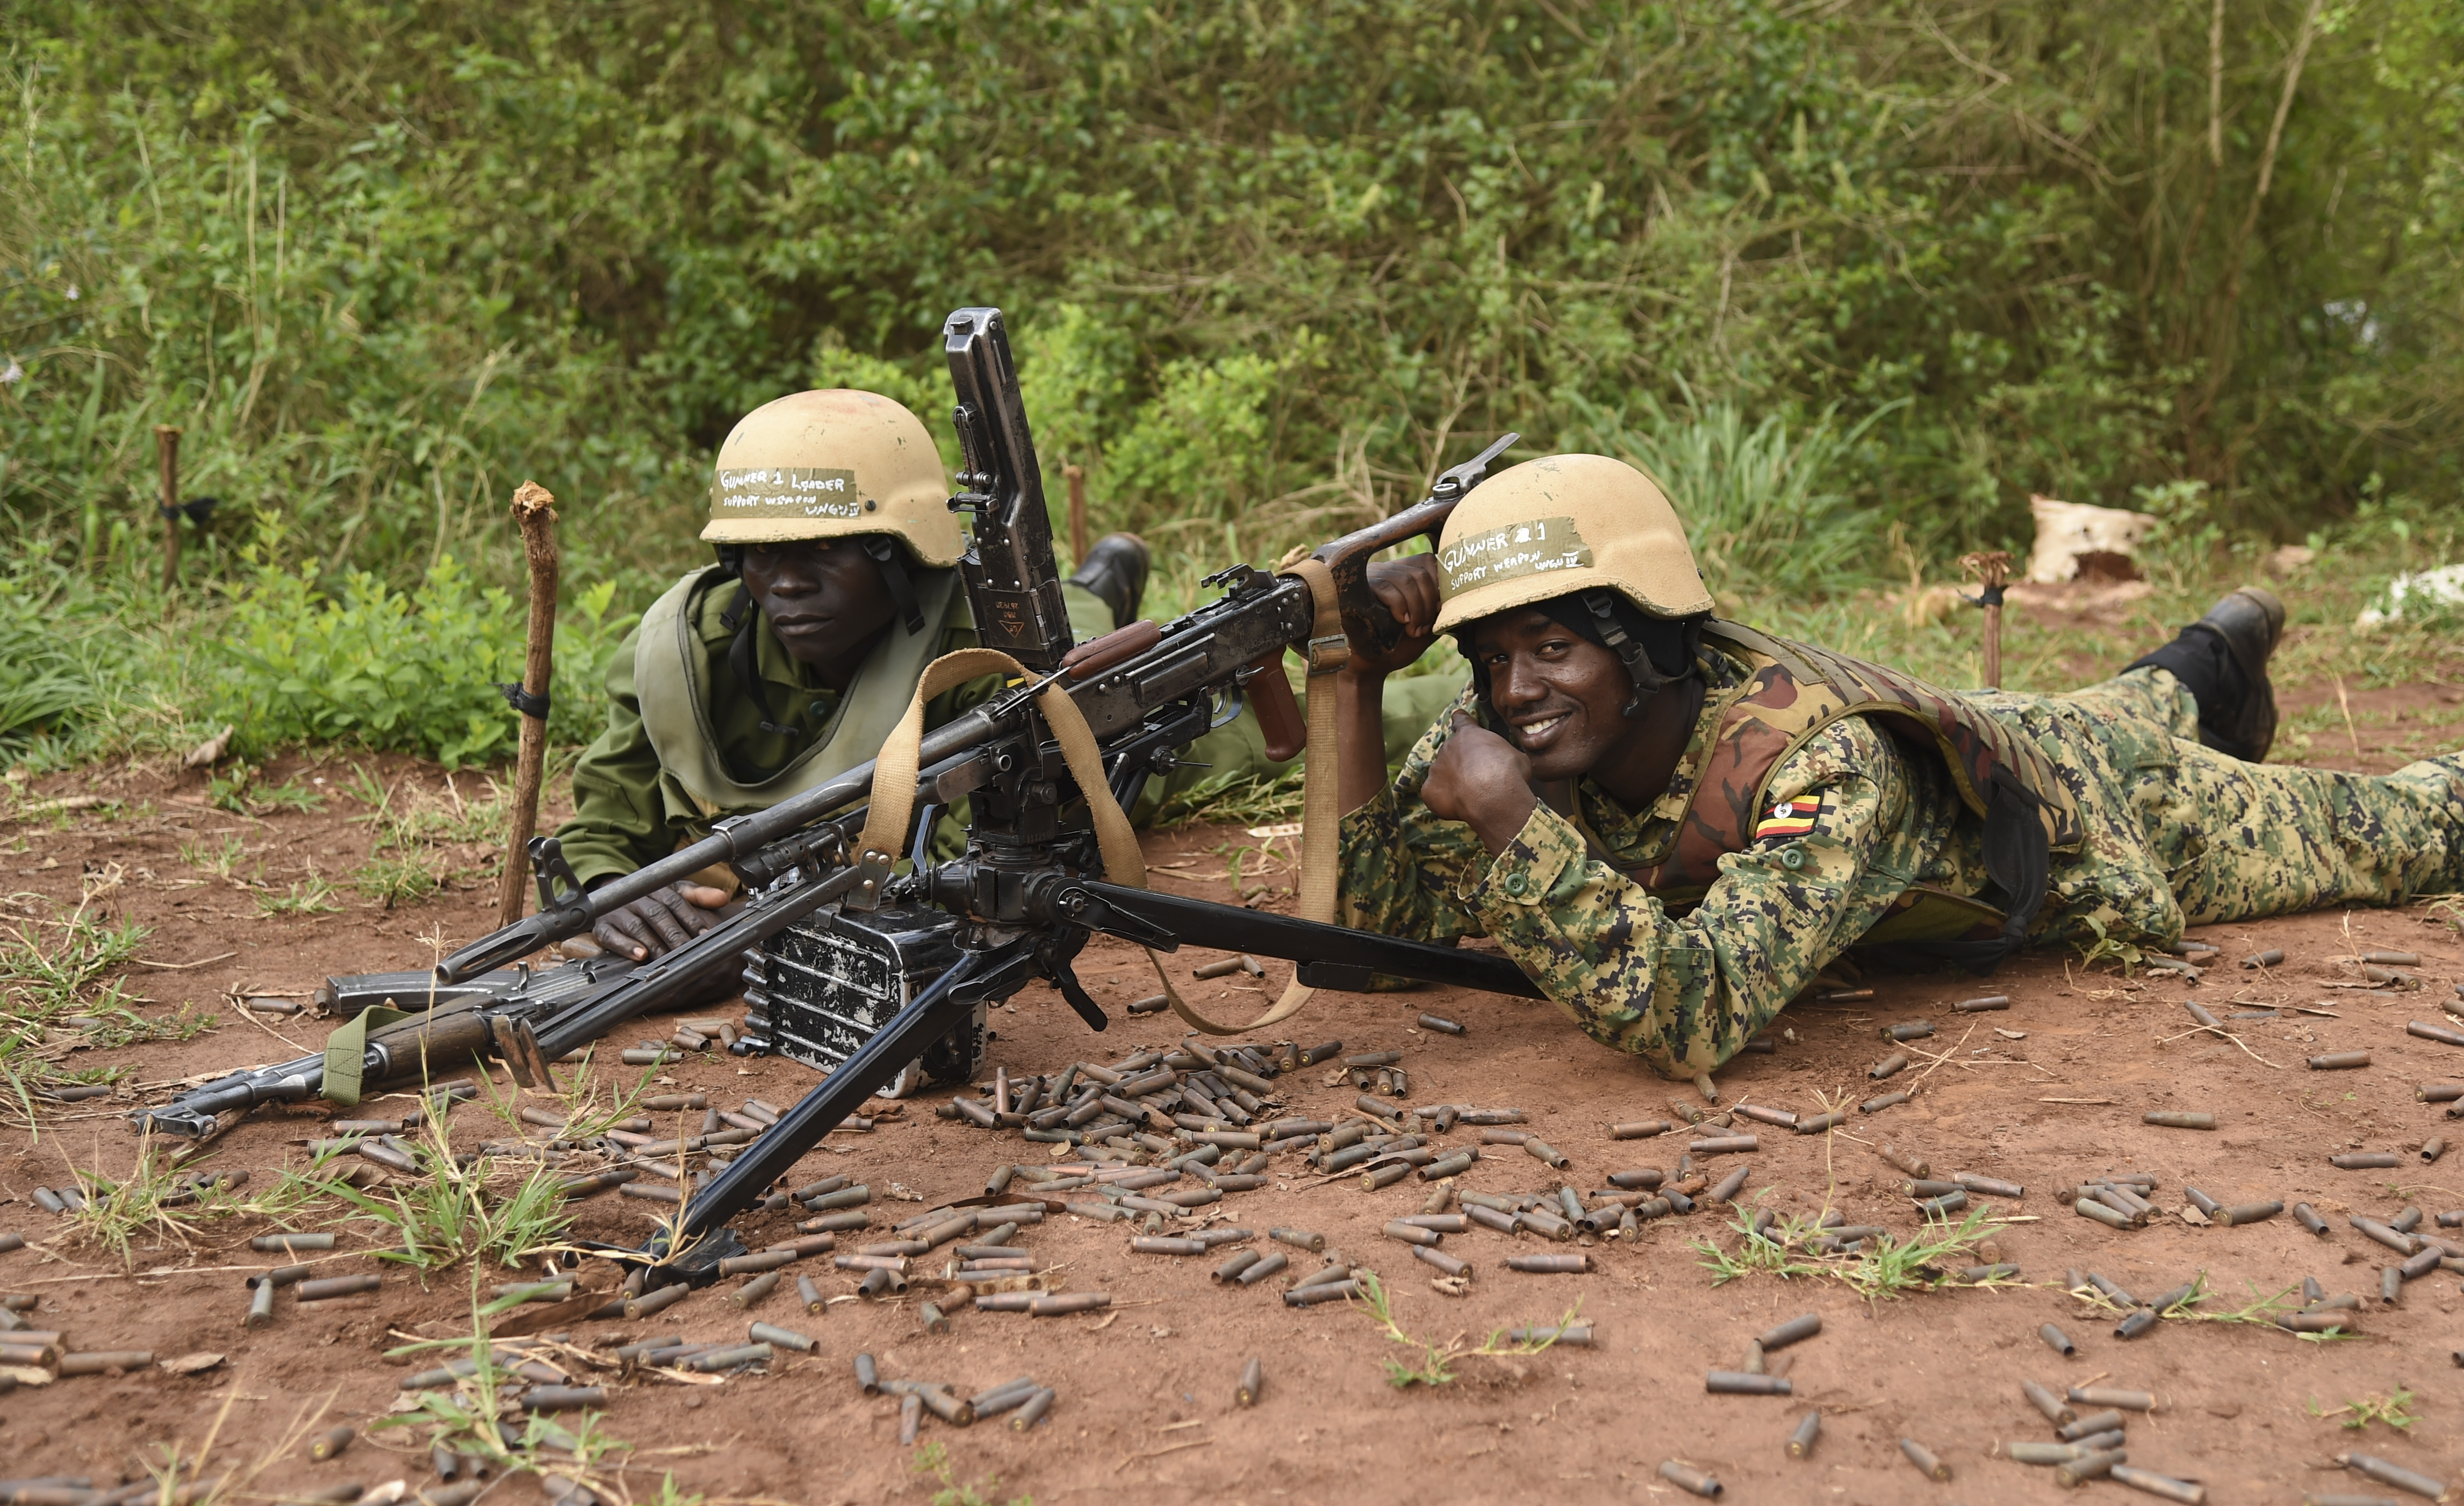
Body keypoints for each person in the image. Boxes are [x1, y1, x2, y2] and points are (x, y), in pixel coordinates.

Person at [1335, 451, 2464, 1080]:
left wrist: (1511, 826)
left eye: (1552, 648)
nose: (1517, 690)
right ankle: (2208, 655)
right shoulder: (1507, 734)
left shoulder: (1817, 764)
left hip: (2095, 808)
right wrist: (1355, 688)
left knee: (2403, 825)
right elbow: (1369, 948)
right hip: (1989, 722)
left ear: (1653, 640)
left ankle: (2206, 666)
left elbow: (1695, 1011)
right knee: (2123, 701)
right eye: (1490, 659)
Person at [557, 387, 1464, 962]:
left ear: (901, 555)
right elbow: (603, 822)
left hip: (1067, 699)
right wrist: (613, 900)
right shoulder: (682, 656)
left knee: (1291, 731)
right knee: (1082, 614)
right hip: (1041, 657)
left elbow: (961, 857)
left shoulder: (984, 640)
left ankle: (1098, 587)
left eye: (824, 554)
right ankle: (1100, 575)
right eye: (759, 557)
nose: (783, 582)